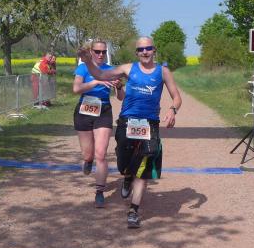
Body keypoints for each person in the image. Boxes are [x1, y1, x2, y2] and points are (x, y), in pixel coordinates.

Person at [78, 36, 182, 229]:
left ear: (154, 50)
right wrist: (87, 62)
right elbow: (100, 74)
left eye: (148, 48)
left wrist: (172, 110)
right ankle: (126, 176)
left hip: (150, 123)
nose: (145, 52)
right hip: (128, 121)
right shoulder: (128, 68)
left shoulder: (163, 71)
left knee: (144, 165)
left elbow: (176, 97)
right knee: (123, 163)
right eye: (141, 49)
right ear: (136, 52)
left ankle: (133, 211)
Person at [73, 40, 124, 209]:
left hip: (103, 110)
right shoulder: (83, 68)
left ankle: (99, 192)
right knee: (89, 155)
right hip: (84, 110)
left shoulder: (111, 70)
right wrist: (96, 82)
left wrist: (119, 86)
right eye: (97, 51)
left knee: (101, 154)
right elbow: (76, 89)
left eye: (103, 51)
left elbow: (121, 97)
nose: (101, 54)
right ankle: (88, 161)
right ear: (91, 52)